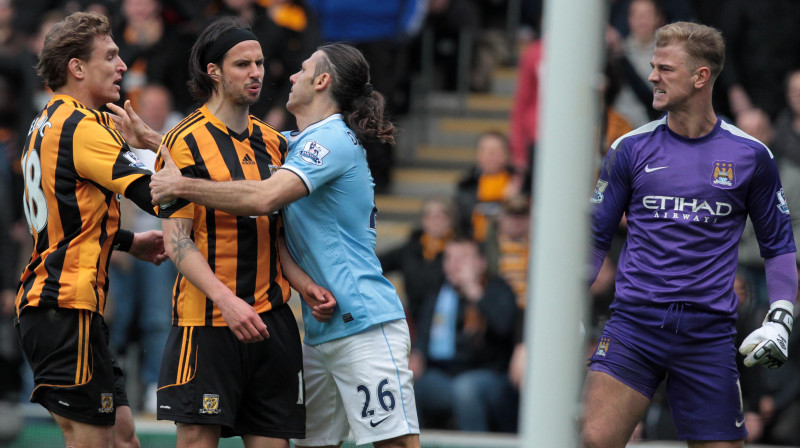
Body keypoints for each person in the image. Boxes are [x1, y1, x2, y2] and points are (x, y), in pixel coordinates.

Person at [150, 42, 421, 448]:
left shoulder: (329, 141)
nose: (290, 76)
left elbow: (262, 197)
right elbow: (219, 144)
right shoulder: (295, 142)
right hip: (320, 330)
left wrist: (181, 185)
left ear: (322, 81)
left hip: (364, 324)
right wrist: (155, 140)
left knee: (395, 443)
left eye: (302, 69)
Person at [582, 21, 797, 448]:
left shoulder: (752, 155)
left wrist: (781, 316)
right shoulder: (629, 149)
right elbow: (593, 239)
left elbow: (778, 245)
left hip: (708, 336)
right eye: (653, 65)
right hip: (633, 327)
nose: (652, 77)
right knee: (594, 441)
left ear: (701, 77)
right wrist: (566, 310)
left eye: (665, 68)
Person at [149, 16, 335, 448]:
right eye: (242, 64)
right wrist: (226, 301)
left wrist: (303, 284)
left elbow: (277, 232)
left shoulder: (275, 142)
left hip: (272, 322)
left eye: (259, 63)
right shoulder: (181, 141)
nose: (256, 73)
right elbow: (178, 242)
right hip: (208, 321)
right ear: (212, 71)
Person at [14, 12, 169, 448]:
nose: (122, 66)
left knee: (124, 441)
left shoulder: (47, 120)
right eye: (111, 56)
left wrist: (128, 241)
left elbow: (64, 220)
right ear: (76, 68)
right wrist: (158, 142)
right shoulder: (83, 126)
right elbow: (160, 196)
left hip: (60, 308)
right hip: (66, 308)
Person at [410, 237, 518, 432]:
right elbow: (423, 338)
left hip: (490, 377)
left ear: (481, 263)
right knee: (407, 387)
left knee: (466, 389)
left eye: (463, 258)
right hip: (444, 376)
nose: (454, 265)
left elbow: (504, 327)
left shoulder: (498, 288)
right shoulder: (438, 293)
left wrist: (475, 292)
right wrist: (417, 356)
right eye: (449, 258)